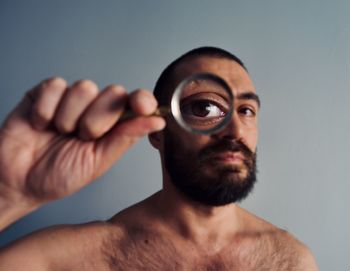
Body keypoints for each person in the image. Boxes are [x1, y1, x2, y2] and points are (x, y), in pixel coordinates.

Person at [0, 47, 318, 270]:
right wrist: (8, 195)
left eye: (246, 110)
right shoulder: (71, 259)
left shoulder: (290, 261)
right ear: (157, 131)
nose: (234, 130)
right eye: (205, 108)